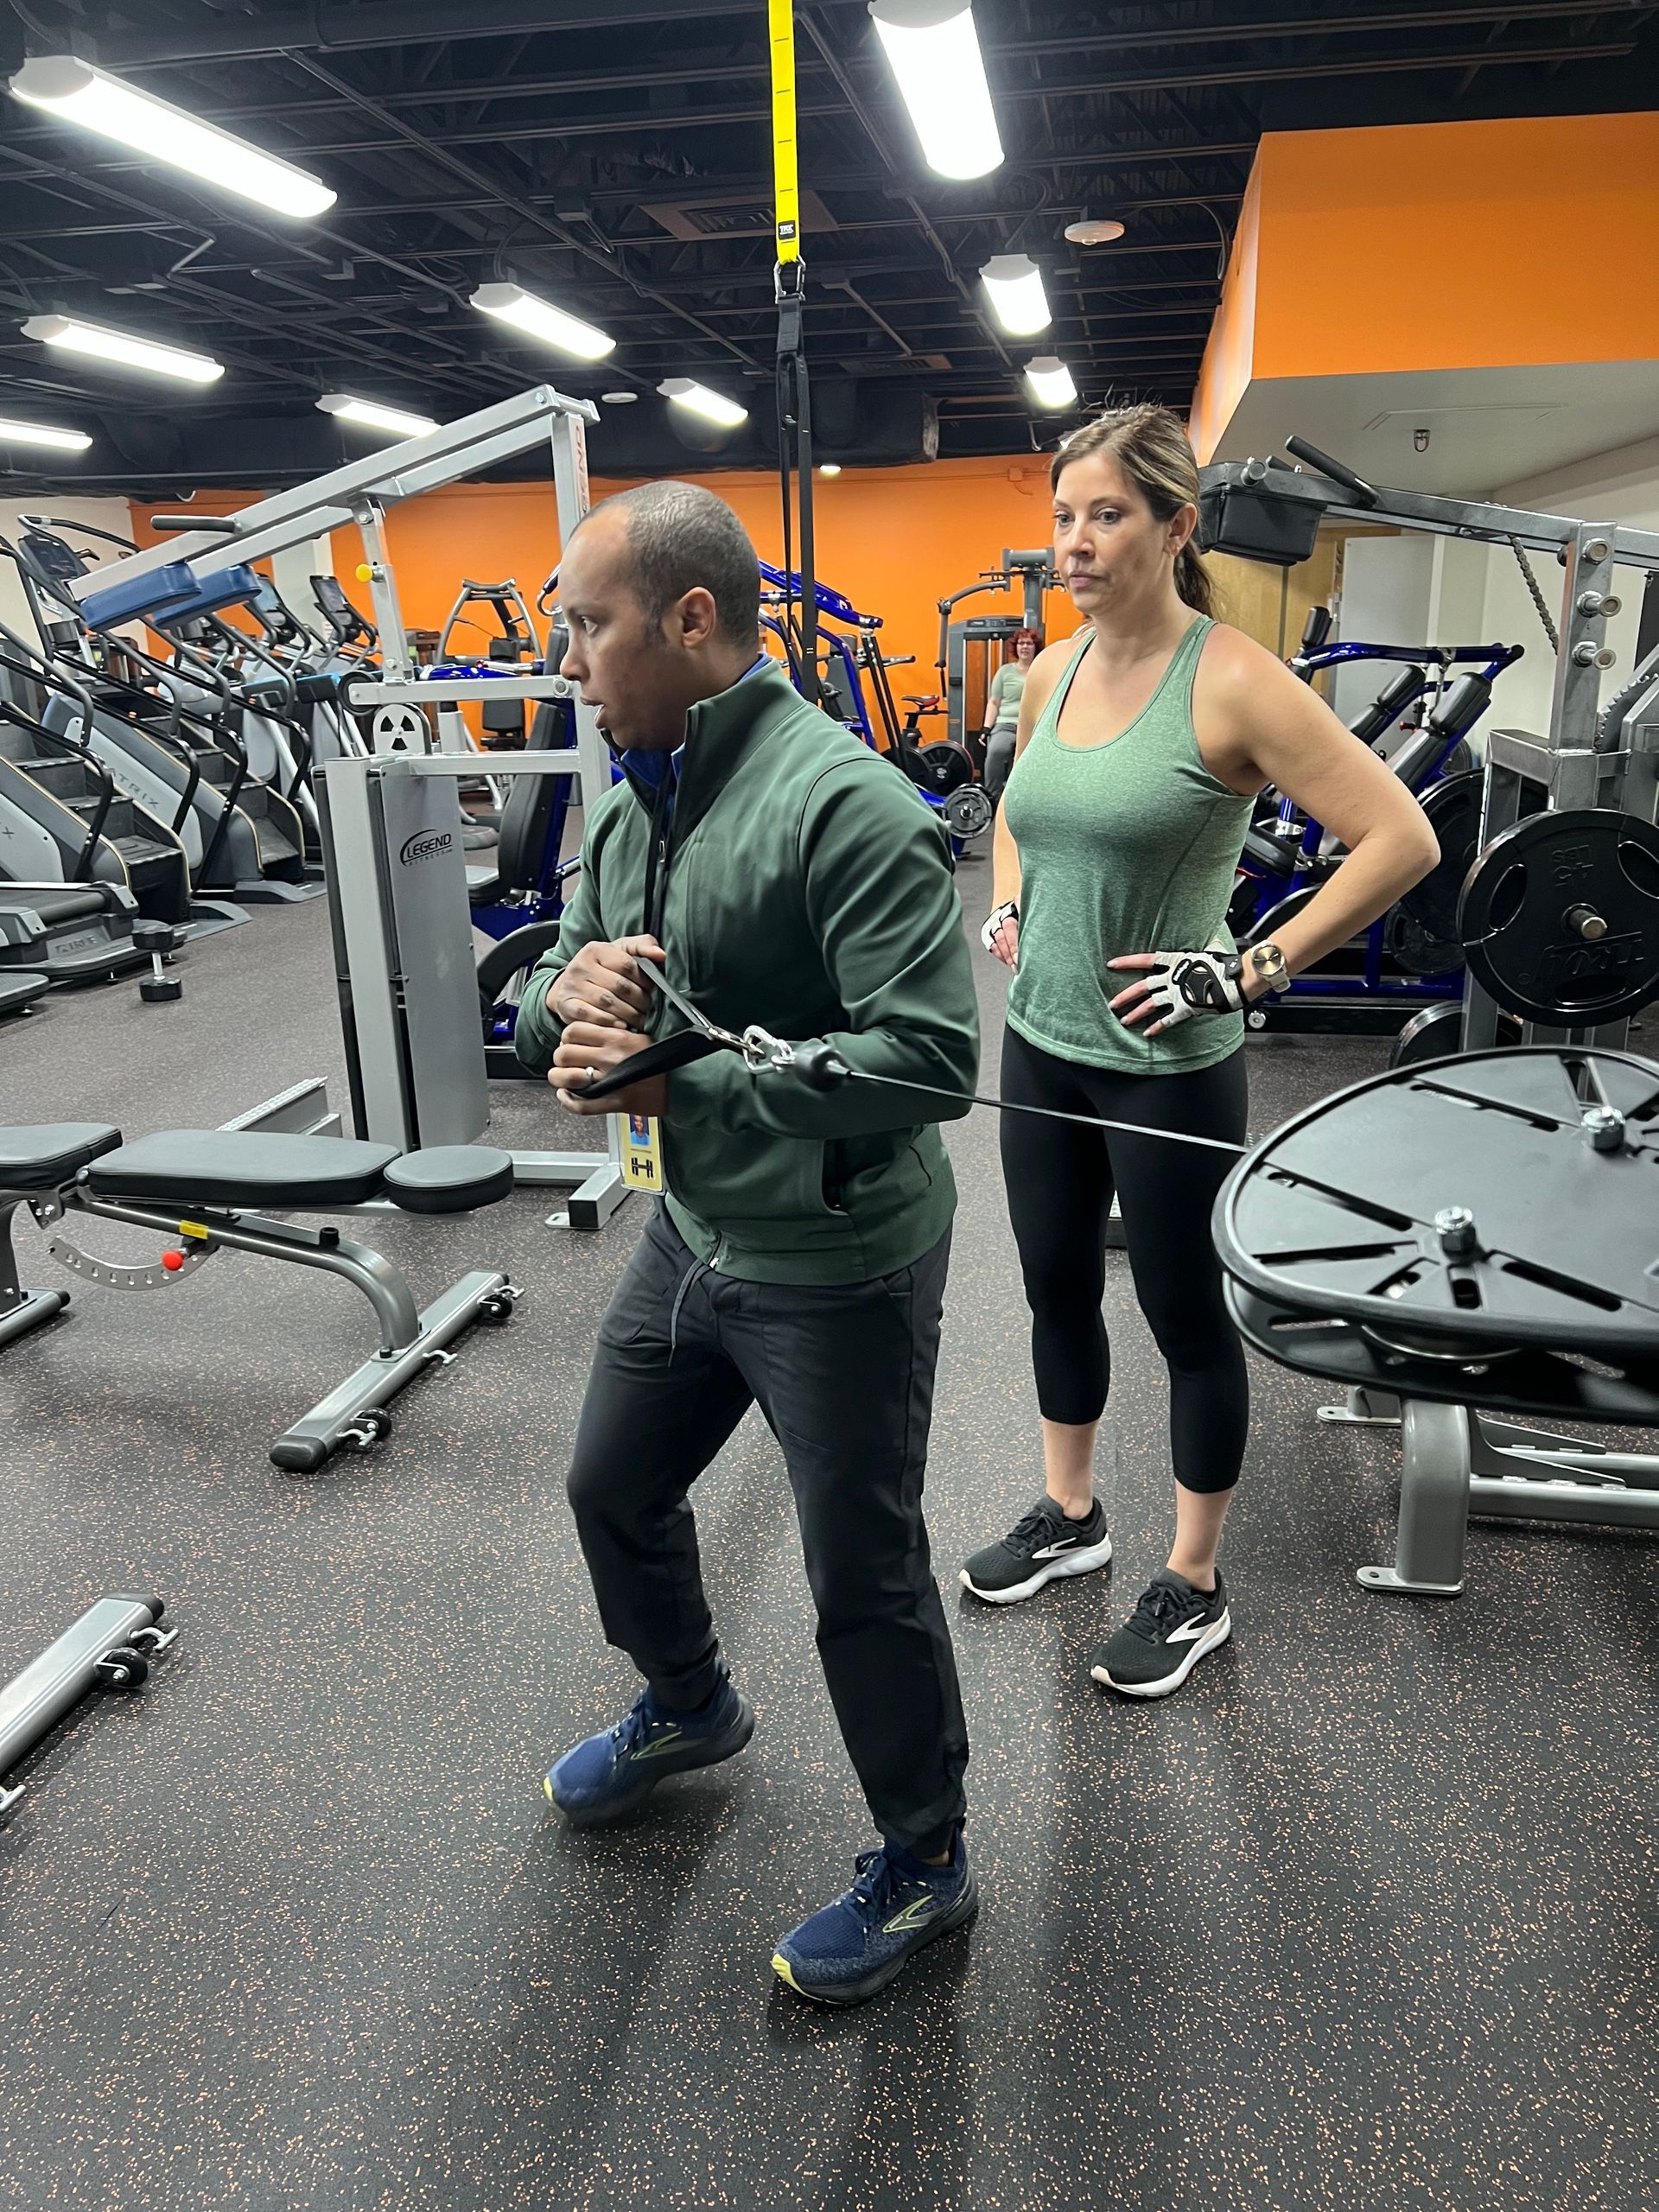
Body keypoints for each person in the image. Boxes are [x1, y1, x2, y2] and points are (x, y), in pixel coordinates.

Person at [515, 480, 982, 2008]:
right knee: (612, 1486)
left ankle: (926, 1867)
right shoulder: (630, 782)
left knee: (864, 1575)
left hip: (837, 1262)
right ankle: (688, 1701)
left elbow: (927, 1064)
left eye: (589, 626)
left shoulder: (842, 803)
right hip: (694, 1228)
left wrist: (681, 1074)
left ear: (691, 618)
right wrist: (562, 1017)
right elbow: (571, 986)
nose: (569, 662)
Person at [960, 404, 1439, 1696]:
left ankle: (1194, 1580)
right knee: (1056, 1286)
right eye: (1063, 515)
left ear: (1176, 528)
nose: (1075, 540)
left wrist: (1252, 967)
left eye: (1106, 514)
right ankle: (1073, 1515)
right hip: (1045, 1044)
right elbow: (1016, 811)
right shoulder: (1052, 670)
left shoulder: (1231, 679)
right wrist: (1010, 897)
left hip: (1169, 1062)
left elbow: (1401, 840)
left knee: (1182, 1319)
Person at [982, 627, 1040, 802]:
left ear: (1035, 647)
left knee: (1032, 759)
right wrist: (986, 728)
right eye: (1021, 643)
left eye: (1029, 643)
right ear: (1016, 647)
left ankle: (1027, 800)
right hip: (1006, 724)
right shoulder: (1005, 672)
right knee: (996, 751)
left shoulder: (1042, 670)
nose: (1024, 647)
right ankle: (991, 798)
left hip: (1034, 725)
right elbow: (994, 701)